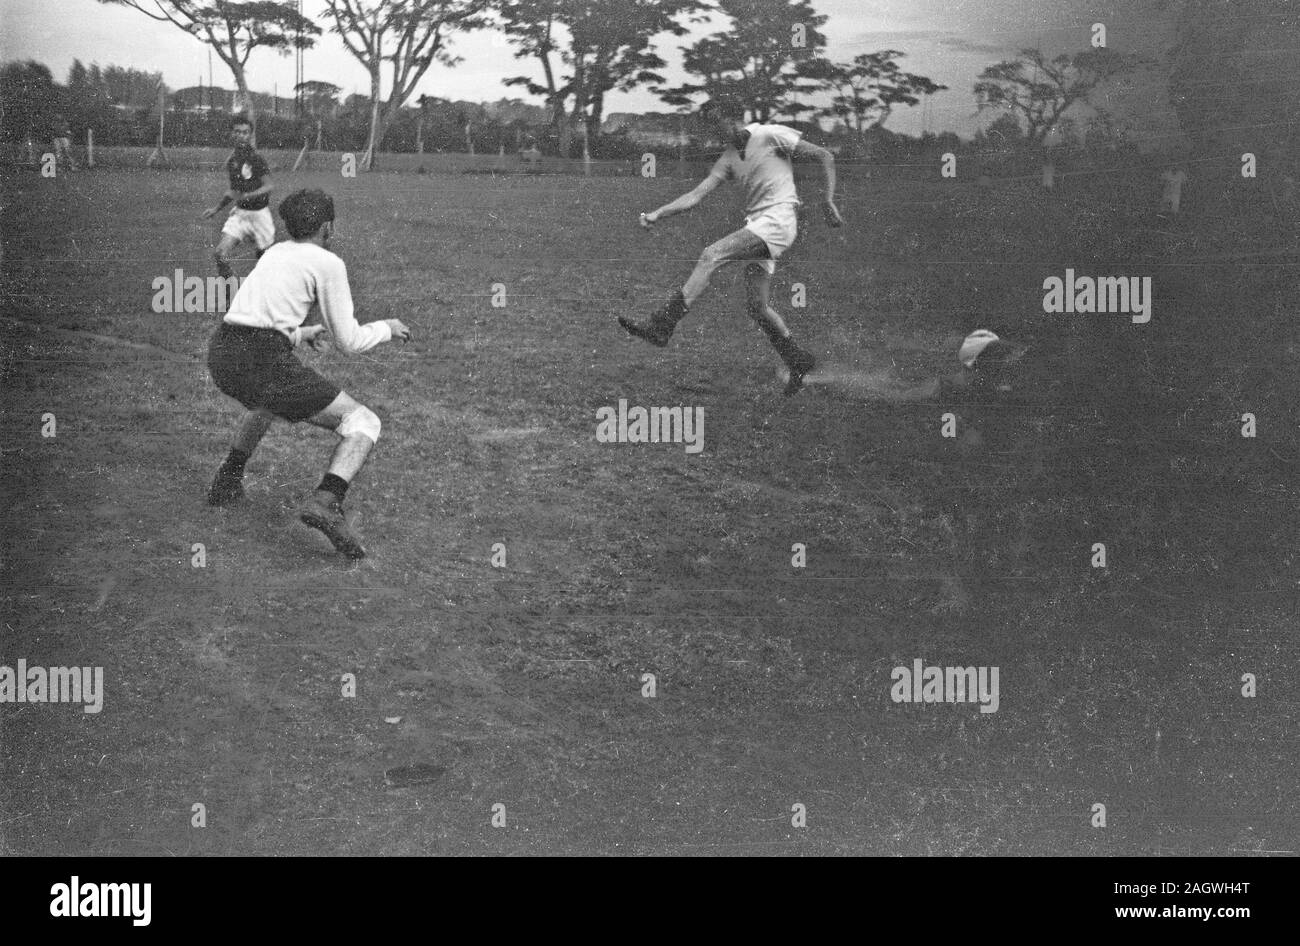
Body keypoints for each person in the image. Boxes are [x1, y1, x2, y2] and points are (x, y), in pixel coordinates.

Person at [205, 188, 412, 559]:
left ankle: (227, 479)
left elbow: (251, 316)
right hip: (262, 357)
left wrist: (299, 333)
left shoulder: (275, 252)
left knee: (265, 402)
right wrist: (387, 327)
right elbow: (349, 341)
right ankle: (326, 501)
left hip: (222, 351)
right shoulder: (328, 262)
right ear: (328, 226)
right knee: (363, 422)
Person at [619, 97, 844, 395]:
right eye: (710, 122)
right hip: (760, 227)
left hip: (778, 222)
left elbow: (824, 156)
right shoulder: (727, 158)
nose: (714, 127)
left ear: (734, 116)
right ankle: (797, 359)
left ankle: (663, 325)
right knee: (757, 306)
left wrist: (828, 198)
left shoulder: (769, 134)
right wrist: (659, 212)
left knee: (711, 255)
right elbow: (695, 196)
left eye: (717, 119)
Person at [201, 114, 274, 278]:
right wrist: (216, 209)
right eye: (238, 132)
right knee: (220, 254)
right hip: (240, 214)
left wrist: (250, 195)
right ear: (231, 134)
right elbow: (234, 191)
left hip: (260, 215)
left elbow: (269, 186)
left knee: (265, 260)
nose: (241, 135)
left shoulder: (256, 159)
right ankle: (232, 297)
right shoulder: (232, 160)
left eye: (245, 132)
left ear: (250, 135)